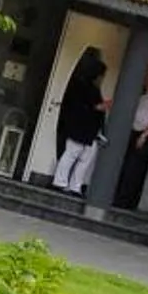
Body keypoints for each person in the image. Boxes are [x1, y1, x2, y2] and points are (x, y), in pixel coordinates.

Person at [113, 56, 148, 210]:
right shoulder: (147, 93)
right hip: (134, 131)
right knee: (126, 164)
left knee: (134, 168)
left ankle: (125, 200)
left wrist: (144, 136)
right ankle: (118, 195)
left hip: (144, 135)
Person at [52, 48, 109, 194]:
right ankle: (63, 182)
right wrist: (100, 107)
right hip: (81, 129)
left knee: (82, 158)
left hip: (87, 131)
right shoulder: (86, 88)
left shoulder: (86, 86)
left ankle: (72, 185)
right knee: (73, 154)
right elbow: (89, 107)